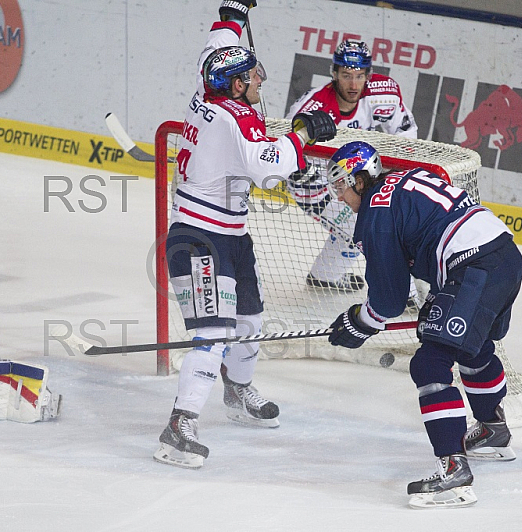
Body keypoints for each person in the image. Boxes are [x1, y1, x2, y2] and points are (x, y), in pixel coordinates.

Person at [154, 0, 337, 469]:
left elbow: (219, 43)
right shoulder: (235, 120)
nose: (261, 80)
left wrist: (234, 12)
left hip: (231, 235)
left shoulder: (206, 87)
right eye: (254, 75)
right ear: (236, 84)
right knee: (213, 332)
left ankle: (236, 390)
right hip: (198, 237)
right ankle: (180, 423)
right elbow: (268, 169)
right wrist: (301, 134)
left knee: (250, 322)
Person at [324, 141, 521, 508]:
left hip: (473, 266)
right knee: (471, 347)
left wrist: (359, 323)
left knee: (430, 363)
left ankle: (454, 471)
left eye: (341, 186)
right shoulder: (403, 178)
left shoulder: (375, 211)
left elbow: (388, 299)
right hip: (504, 257)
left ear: (358, 179)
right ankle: (493, 430)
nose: (340, 197)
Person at [285, 40, 418, 291]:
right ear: (334, 73)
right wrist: (343, 192)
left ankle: (324, 276)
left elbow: (406, 134)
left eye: (360, 76)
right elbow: (290, 157)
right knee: (365, 226)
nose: (354, 84)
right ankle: (406, 291)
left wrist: (388, 177)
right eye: (346, 75)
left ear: (369, 75)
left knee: (364, 224)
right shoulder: (311, 109)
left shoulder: (383, 93)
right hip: (315, 181)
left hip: (357, 174)